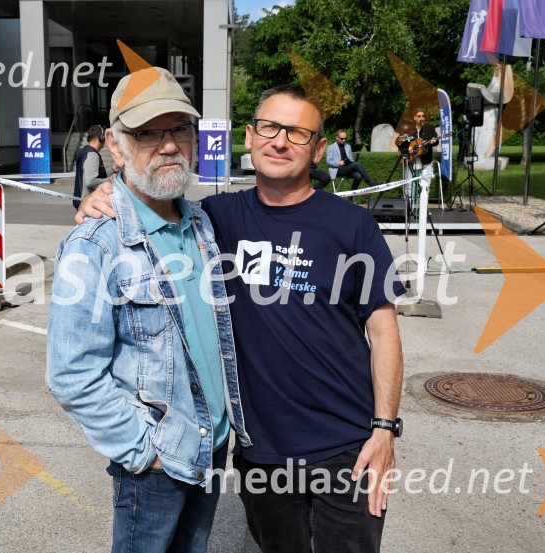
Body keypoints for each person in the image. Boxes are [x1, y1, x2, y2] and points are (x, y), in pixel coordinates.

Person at [79, 84, 405, 553]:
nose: (280, 141)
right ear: (249, 137)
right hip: (259, 452)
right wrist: (100, 195)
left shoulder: (351, 224)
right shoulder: (212, 219)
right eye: (270, 127)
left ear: (317, 149)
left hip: (347, 447)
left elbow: (384, 331)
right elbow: (145, 197)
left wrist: (384, 430)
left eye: (298, 133)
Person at [47, 67, 251, 553]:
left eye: (179, 128)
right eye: (146, 133)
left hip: (212, 448)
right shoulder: (95, 243)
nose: (167, 145)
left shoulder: (202, 224)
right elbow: (71, 374)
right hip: (157, 465)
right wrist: (146, 452)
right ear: (116, 148)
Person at [396, 108, 439, 200]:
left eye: (423, 116)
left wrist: (433, 141)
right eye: (419, 116)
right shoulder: (408, 129)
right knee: (409, 187)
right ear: (414, 118)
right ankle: (409, 210)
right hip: (411, 161)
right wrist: (408, 148)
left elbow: (436, 142)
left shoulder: (430, 129)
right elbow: (399, 142)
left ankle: (423, 212)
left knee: (425, 186)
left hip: (425, 162)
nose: (421, 118)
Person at [71, 124, 108, 209]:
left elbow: (96, 174)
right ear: (101, 137)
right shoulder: (92, 155)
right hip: (88, 203)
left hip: (84, 202)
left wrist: (114, 169)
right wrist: (110, 180)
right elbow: (91, 181)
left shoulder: (86, 152)